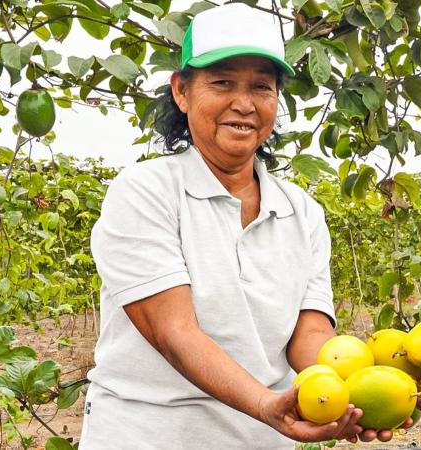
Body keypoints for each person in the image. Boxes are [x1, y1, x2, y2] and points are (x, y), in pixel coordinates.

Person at [79, 4, 395, 448]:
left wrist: (364, 386)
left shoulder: (301, 211)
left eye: (261, 87)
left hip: (262, 438)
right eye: (222, 82)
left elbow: (309, 335)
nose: (243, 104)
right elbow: (174, 333)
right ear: (182, 92)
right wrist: (266, 404)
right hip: (151, 436)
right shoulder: (144, 192)